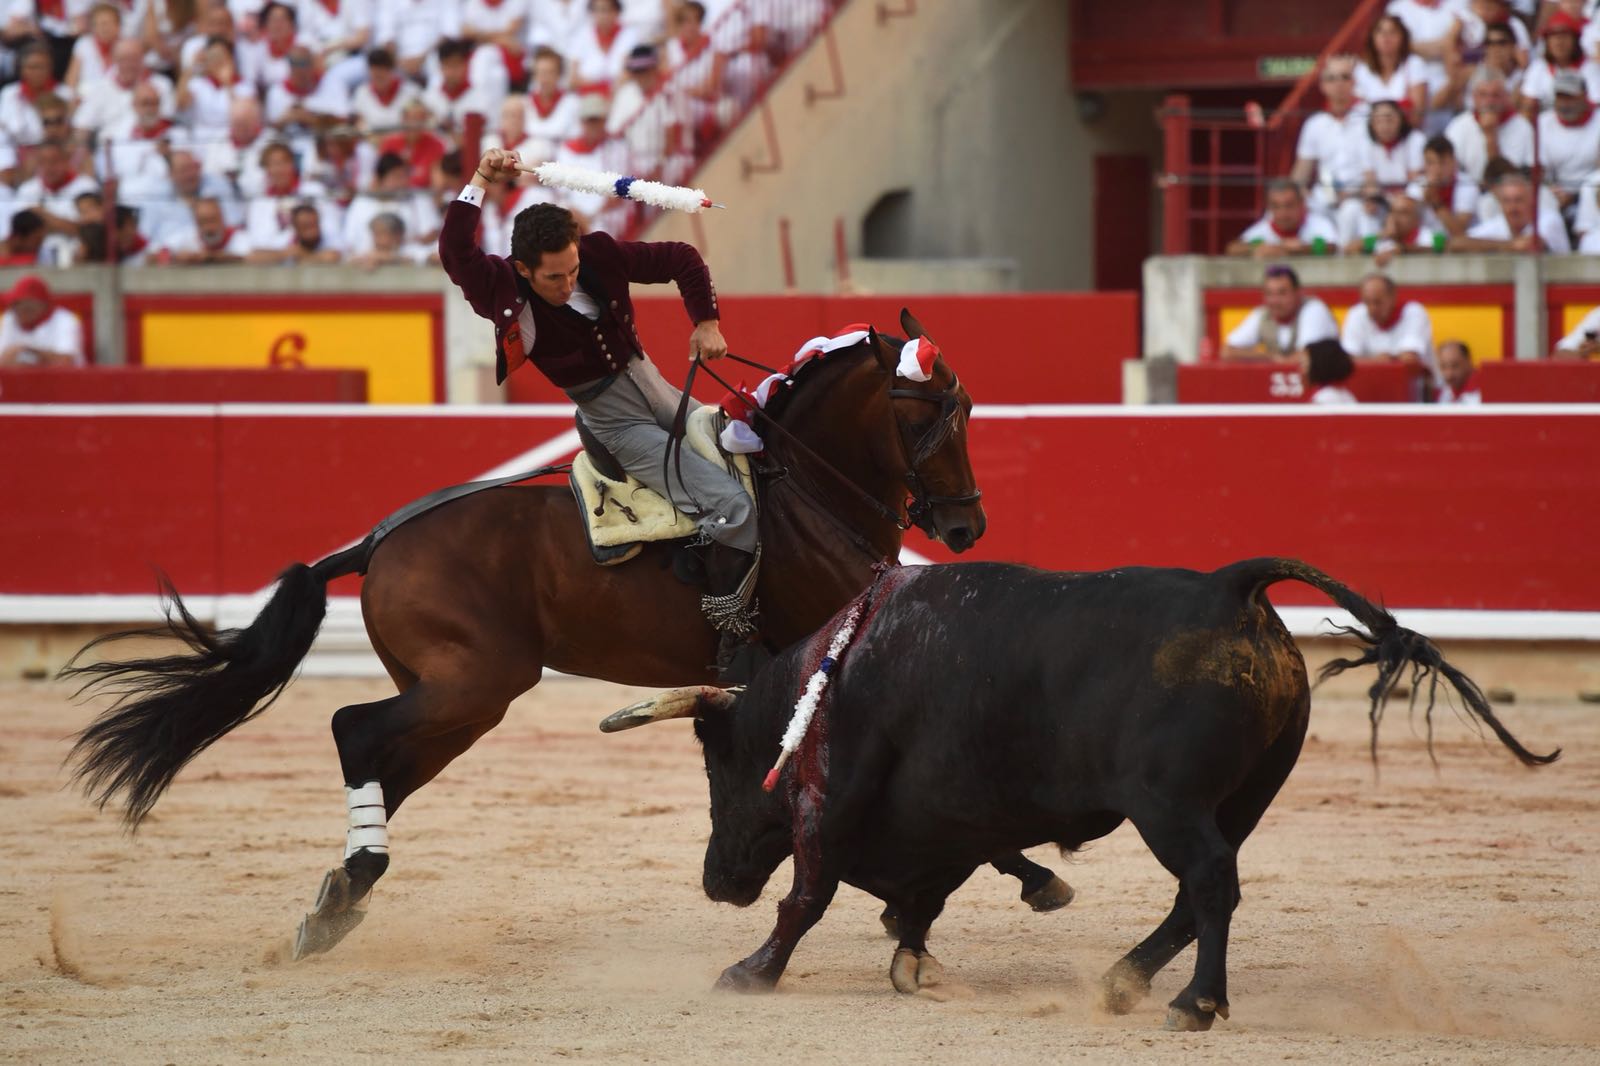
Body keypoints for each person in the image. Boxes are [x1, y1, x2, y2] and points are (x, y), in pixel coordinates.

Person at [439, 146, 763, 677]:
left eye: (573, 270)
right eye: (553, 279)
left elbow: (682, 256)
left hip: (655, 386)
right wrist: (479, 177)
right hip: (614, 421)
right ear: (523, 269)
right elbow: (455, 250)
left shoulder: (598, 253)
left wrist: (706, 321)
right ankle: (731, 637)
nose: (568, 283)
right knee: (730, 505)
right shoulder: (500, 287)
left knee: (752, 466)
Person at [1289, 55, 1367, 214]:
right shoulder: (1314, 124)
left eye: (1345, 77)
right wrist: (1300, 194)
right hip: (1324, 197)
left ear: (1354, 82)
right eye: (1331, 79)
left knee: (1351, 211)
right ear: (1322, 86)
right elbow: (1301, 172)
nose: (1339, 83)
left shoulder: (1369, 117)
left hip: (1362, 198)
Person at [1340, 272, 1440, 386]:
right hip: (1373, 389)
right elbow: (1346, 360)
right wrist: (1380, 361)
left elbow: (1409, 360)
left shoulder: (1414, 313)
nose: (1372, 308)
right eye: (1367, 302)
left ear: (1393, 297)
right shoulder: (1356, 314)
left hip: (1417, 392)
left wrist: (1367, 361)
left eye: (1378, 302)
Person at [1221, 263, 1339, 360]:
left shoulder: (1314, 309)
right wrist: (1270, 357)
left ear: (1298, 293)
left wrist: (1276, 360)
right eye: (1269, 294)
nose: (1274, 301)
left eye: (1282, 293)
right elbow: (1227, 352)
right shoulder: (1262, 314)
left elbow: (1306, 356)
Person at [1445, 69, 1535, 182]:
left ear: (1506, 97)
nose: (1489, 101)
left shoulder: (1523, 127)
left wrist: (1491, 137)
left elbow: (1526, 175)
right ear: (1474, 97)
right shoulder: (1458, 125)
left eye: (1495, 95)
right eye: (1483, 95)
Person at [1451, 169, 1572, 250]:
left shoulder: (1549, 219)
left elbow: (1530, 245)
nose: (1512, 207)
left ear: (1531, 202)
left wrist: (1492, 245)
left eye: (1518, 200)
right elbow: (1457, 243)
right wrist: (1510, 245)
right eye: (1507, 201)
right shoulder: (1498, 223)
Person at [1536, 70, 1600, 221]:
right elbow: (1541, 169)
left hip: (1591, 192)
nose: (1565, 104)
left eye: (1570, 98)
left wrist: (1574, 195)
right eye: (1560, 97)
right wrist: (1551, 189)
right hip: (1557, 191)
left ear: (1584, 96)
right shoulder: (1543, 122)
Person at [1224, 179, 1339, 258]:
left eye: (1289, 205)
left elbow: (1333, 248)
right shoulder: (1262, 230)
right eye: (1276, 207)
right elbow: (1232, 249)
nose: (1283, 213)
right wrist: (1256, 249)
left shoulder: (1318, 224)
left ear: (1301, 204)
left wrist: (1301, 249)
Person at [0, 275, 84, 367]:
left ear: (40, 305)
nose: (17, 311)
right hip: (20, 380)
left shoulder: (65, 320)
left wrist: (30, 352)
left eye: (22, 306)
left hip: (64, 380)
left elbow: (67, 361)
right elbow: (2, 360)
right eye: (15, 305)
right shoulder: (10, 318)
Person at [1357, 14, 1430, 118]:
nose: (1386, 37)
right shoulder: (1362, 69)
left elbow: (1417, 115)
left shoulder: (1414, 64)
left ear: (1403, 37)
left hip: (1406, 132)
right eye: (1380, 32)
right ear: (1372, 37)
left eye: (1392, 32)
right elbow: (1359, 112)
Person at [1415, 135, 1480, 237]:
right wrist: (1421, 202)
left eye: (1442, 163)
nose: (1437, 169)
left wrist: (1435, 202)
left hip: (1464, 248)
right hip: (1427, 244)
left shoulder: (1467, 185)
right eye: (1430, 163)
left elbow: (1459, 232)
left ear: (1454, 163)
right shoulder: (1416, 186)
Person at [1299, 338, 1358, 405]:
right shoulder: (1346, 395)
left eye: (1305, 364)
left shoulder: (1324, 398)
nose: (1302, 370)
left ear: (1319, 365)